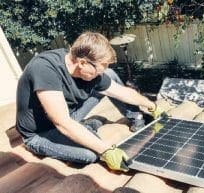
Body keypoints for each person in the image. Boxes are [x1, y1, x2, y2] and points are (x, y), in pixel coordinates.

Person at [16, 32, 165, 171]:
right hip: (41, 133)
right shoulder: (45, 69)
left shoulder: (88, 71)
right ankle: (83, 129)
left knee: (111, 76)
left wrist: (152, 106)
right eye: (99, 70)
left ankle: (135, 118)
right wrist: (106, 150)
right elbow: (62, 122)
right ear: (82, 63)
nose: (100, 74)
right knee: (91, 154)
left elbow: (122, 92)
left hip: (69, 115)